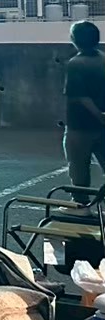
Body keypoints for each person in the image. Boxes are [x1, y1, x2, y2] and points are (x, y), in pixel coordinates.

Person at [63, 20, 105, 198]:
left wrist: (100, 115)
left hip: (80, 126)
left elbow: (80, 96)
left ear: (75, 40)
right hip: (102, 127)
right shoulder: (103, 59)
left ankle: (80, 205)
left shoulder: (75, 63)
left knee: (78, 169)